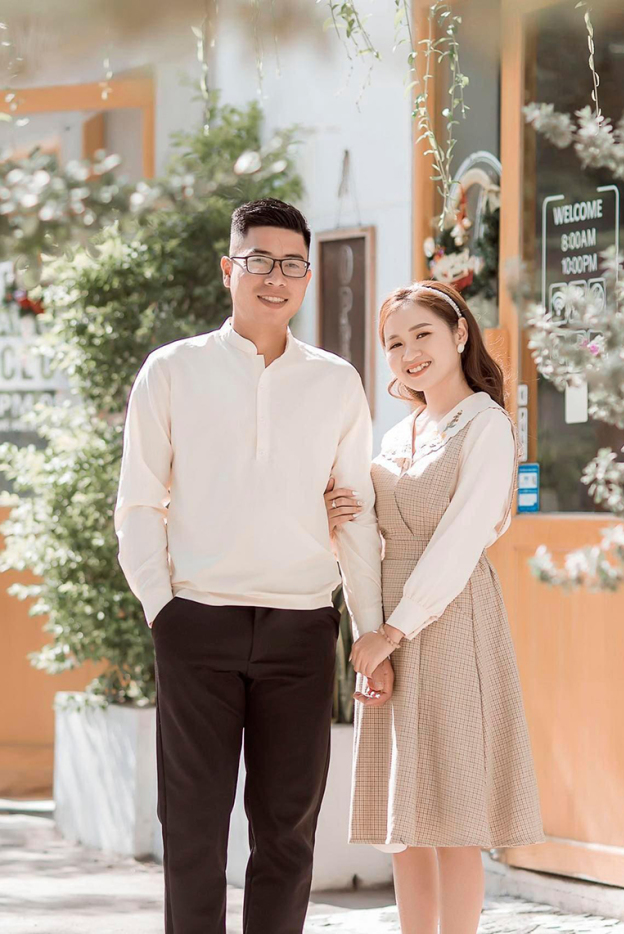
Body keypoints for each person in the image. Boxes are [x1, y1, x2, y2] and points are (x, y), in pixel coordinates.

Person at [113, 198, 387, 934]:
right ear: (228, 268)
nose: (276, 277)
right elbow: (139, 502)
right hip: (196, 623)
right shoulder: (173, 371)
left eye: (292, 264)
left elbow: (355, 515)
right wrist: (162, 609)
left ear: (308, 277)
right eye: (259, 260)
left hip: (302, 626)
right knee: (192, 830)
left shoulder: (336, 382)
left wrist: (370, 629)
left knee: (288, 835)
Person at [325, 281, 545, 934]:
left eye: (422, 334)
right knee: (405, 820)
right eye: (394, 343)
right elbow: (369, 539)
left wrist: (393, 631)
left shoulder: (486, 424)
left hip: (451, 620)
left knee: (453, 816)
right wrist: (338, 525)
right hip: (388, 624)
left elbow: (462, 538)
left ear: (459, 333)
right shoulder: (398, 434)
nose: (408, 353)